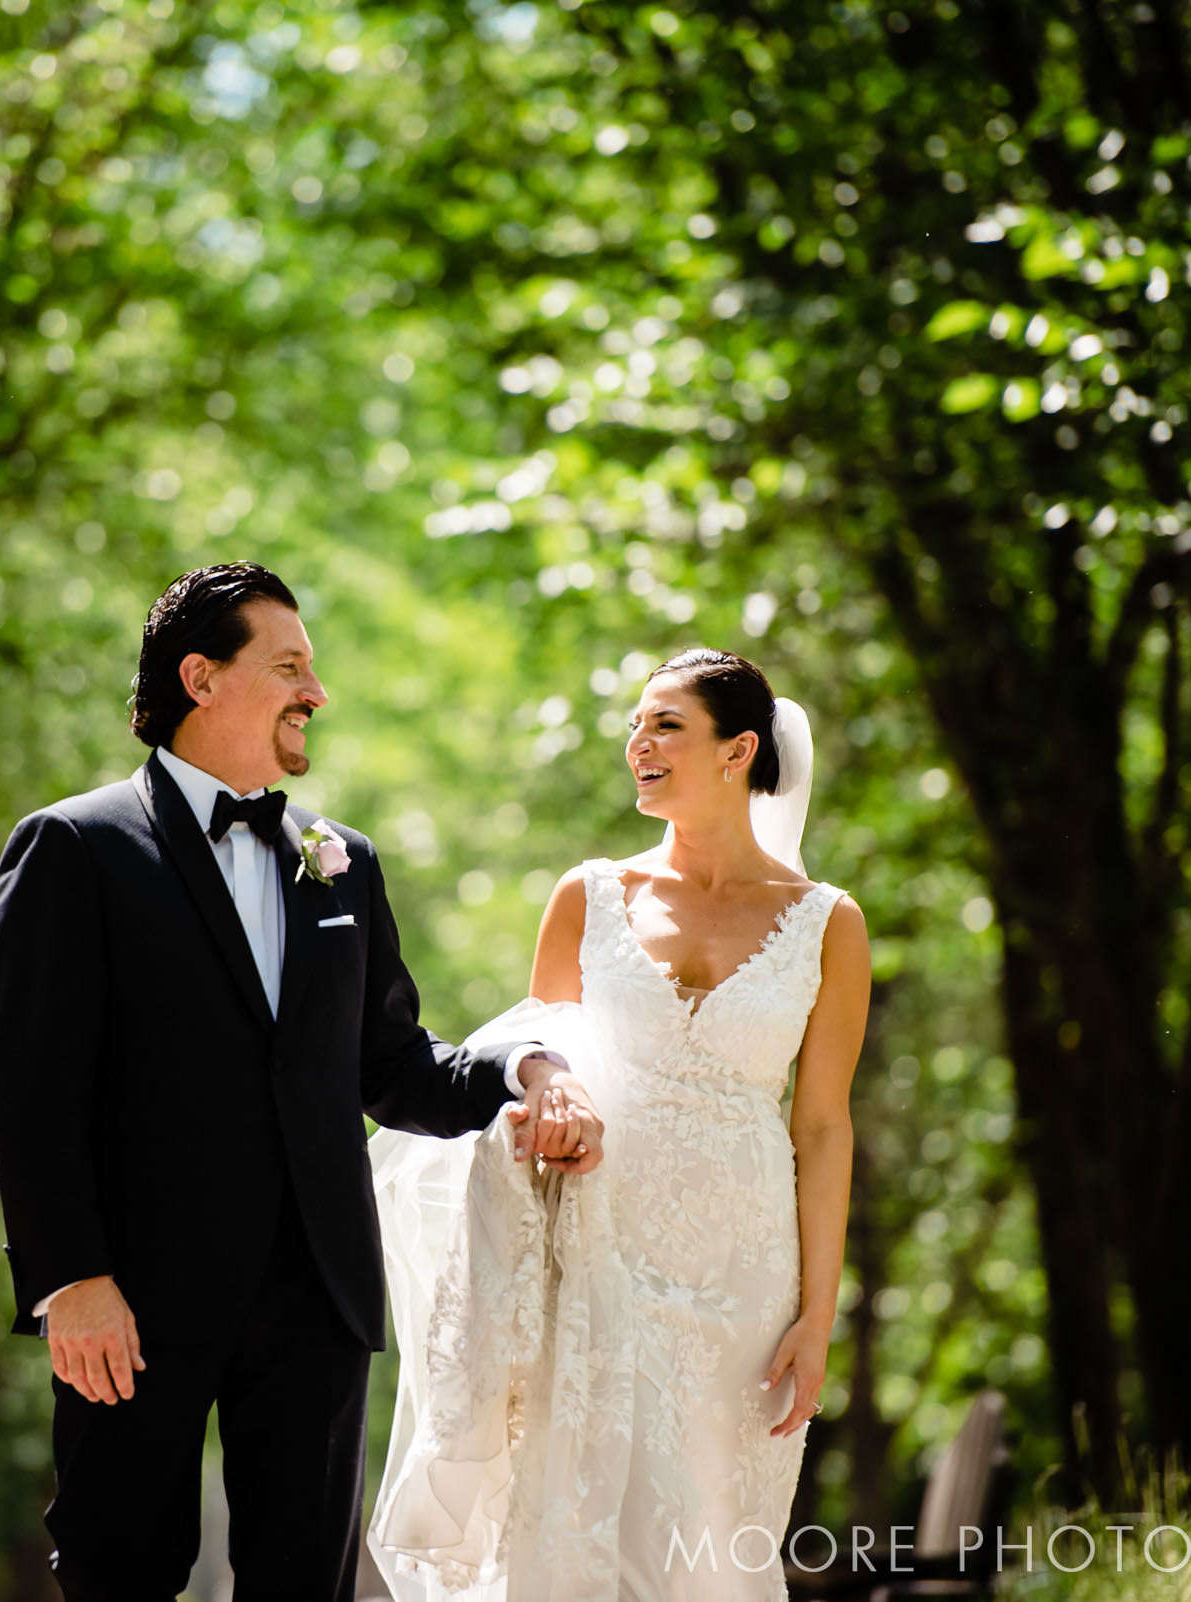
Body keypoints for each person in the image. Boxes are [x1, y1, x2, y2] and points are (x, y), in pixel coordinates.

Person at [0, 562, 608, 1601]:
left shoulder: (340, 860)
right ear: (202, 677)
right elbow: (31, 1088)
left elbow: (398, 1069)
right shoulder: (73, 849)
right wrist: (70, 1279)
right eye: (288, 667)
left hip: (318, 1300)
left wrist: (525, 1067)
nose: (316, 694)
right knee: (118, 1572)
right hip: (132, 1304)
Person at [369, 648, 871, 1602]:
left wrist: (816, 1313)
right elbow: (535, 1072)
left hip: (744, 1271)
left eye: (665, 725)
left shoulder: (827, 924)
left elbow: (823, 1130)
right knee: (580, 1514)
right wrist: (536, 1127)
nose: (638, 743)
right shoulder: (589, 897)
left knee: (713, 1534)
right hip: (597, 1250)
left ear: (739, 750)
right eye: (635, 726)